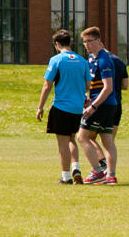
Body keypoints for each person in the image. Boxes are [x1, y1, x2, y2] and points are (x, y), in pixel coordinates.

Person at [36, 28, 92, 184]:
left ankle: (66, 177)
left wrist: (40, 107)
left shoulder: (57, 60)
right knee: (71, 139)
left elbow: (47, 85)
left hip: (61, 107)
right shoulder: (82, 60)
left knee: (62, 143)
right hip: (77, 108)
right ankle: (76, 168)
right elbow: (88, 85)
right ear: (70, 43)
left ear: (56, 44)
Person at [77, 26, 128, 185]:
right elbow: (92, 84)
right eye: (84, 42)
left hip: (103, 105)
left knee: (82, 136)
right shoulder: (92, 58)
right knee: (107, 141)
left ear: (99, 41)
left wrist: (93, 106)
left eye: (89, 41)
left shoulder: (104, 59)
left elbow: (108, 87)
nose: (86, 45)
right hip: (106, 105)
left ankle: (97, 171)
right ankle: (110, 176)